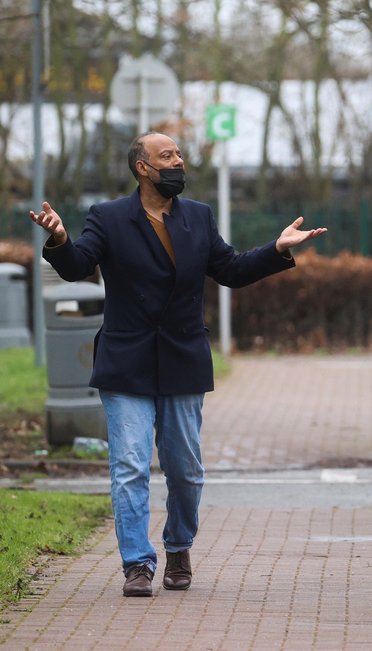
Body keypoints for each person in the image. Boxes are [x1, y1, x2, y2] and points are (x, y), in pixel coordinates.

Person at [28, 132, 327, 597]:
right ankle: (136, 564)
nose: (178, 162)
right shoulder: (108, 217)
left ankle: (179, 545)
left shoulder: (199, 218)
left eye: (179, 155)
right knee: (129, 465)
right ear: (142, 168)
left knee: (185, 469)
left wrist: (277, 249)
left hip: (182, 358)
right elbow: (77, 264)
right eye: (167, 156)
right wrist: (61, 239)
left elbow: (229, 269)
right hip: (127, 361)